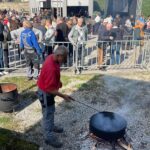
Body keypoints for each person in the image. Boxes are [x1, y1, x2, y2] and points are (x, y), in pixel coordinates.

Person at [37, 45, 74, 148]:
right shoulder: (51, 68)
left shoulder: (52, 57)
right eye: (64, 58)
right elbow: (50, 89)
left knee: (51, 110)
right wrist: (64, 96)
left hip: (47, 90)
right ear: (58, 55)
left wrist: (58, 82)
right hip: (45, 93)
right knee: (48, 114)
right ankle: (48, 138)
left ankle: (51, 126)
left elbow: (52, 79)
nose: (64, 61)